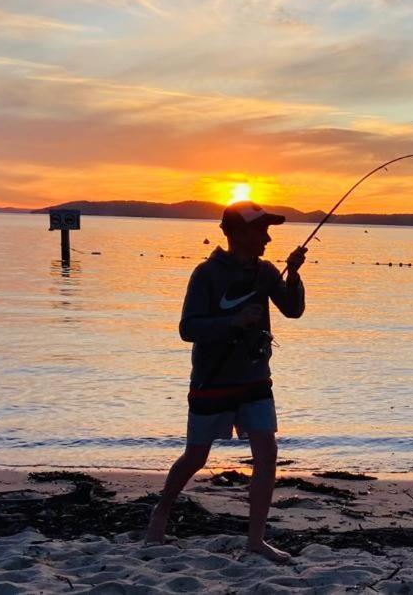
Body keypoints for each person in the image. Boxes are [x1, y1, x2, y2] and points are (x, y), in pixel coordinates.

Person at [146, 200, 307, 561]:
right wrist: (232, 322)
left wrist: (293, 274)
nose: (267, 237)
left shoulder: (267, 272)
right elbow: (188, 329)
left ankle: (256, 541)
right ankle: (161, 512)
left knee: (267, 453)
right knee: (196, 456)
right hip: (213, 380)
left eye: (268, 230)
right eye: (260, 230)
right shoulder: (206, 275)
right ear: (236, 233)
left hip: (255, 378)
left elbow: (293, 310)